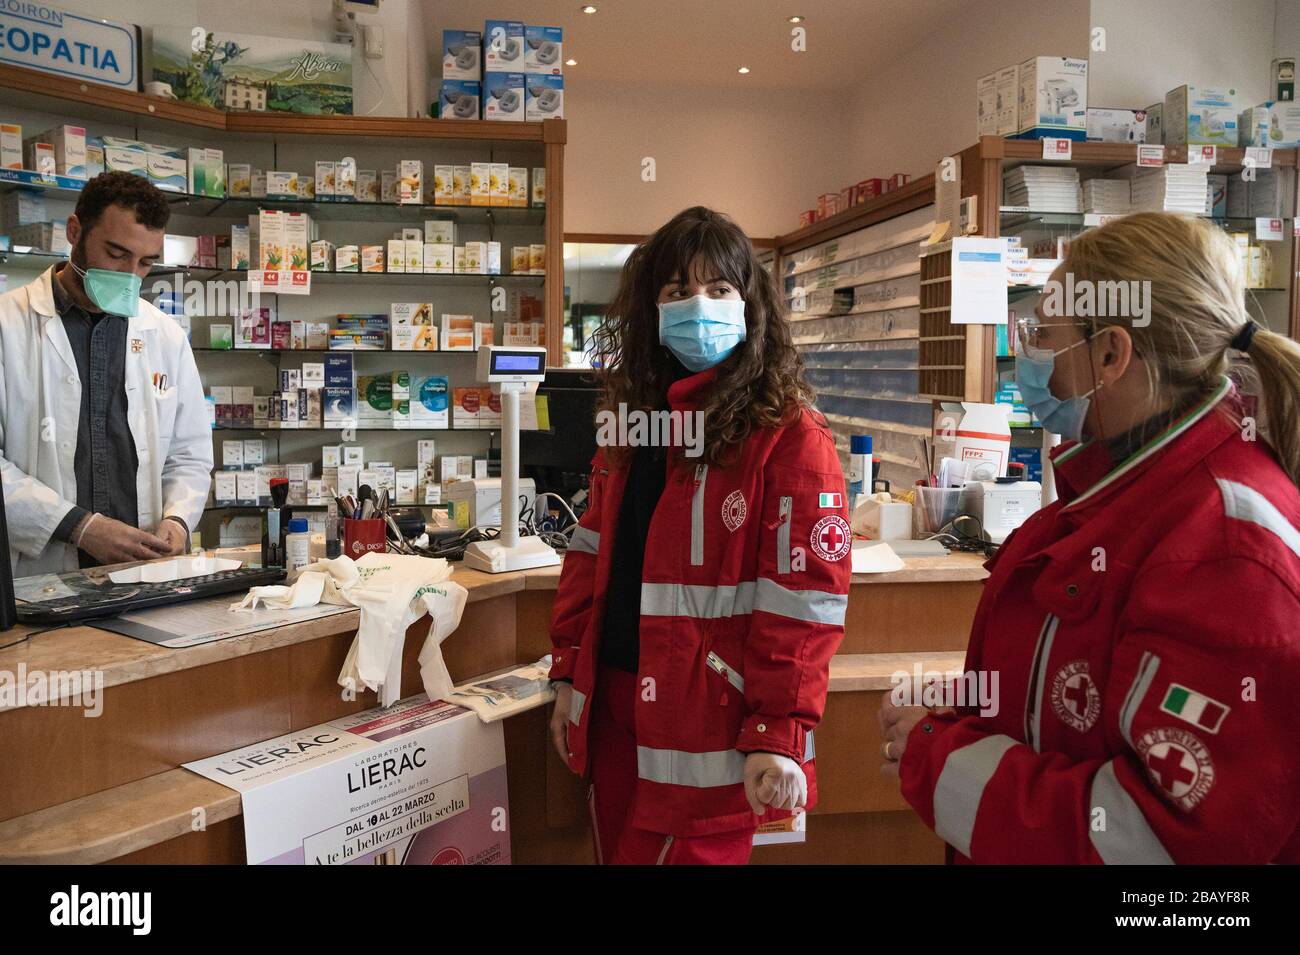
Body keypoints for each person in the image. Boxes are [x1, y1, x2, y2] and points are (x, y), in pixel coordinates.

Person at [880, 212, 1300, 864]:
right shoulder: (1119, 488)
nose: (1031, 357)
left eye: (1043, 335)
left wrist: (940, 756)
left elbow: (1154, 843)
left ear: (1110, 353)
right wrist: (980, 701)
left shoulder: (1222, 551)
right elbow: (1093, 698)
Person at [547, 206, 852, 864]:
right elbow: (591, 556)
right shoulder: (635, 422)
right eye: (678, 291)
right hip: (614, 711)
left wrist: (779, 729)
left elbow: (804, 601)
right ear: (650, 311)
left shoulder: (791, 435)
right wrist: (570, 670)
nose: (699, 306)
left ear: (751, 305)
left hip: (708, 727)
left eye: (719, 290)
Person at [0, 171, 212, 576]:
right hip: (36, 575)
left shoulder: (163, 334)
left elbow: (189, 454)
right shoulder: (6, 325)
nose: (130, 275)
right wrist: (80, 528)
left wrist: (178, 520)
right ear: (75, 231)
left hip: (142, 573)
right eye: (116, 254)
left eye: (146, 262)